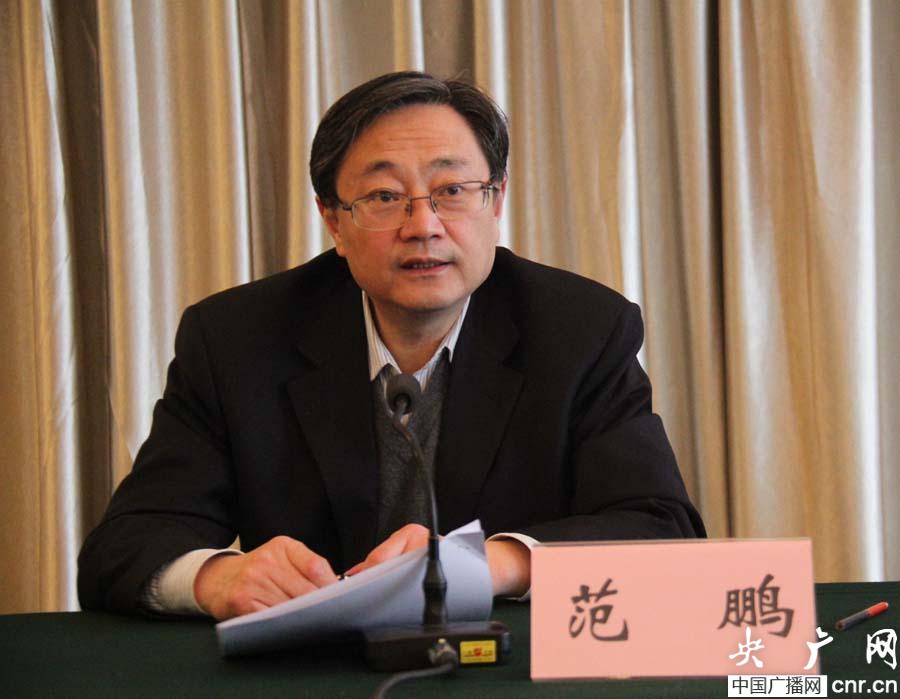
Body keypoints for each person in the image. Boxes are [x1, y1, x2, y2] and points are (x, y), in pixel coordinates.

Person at [78, 71, 705, 620]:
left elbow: (661, 529)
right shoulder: (237, 340)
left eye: (452, 190)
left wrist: (492, 564)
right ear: (334, 221)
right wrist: (217, 578)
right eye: (383, 197)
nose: (423, 225)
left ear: (496, 201)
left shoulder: (581, 330)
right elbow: (123, 547)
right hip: (311, 672)